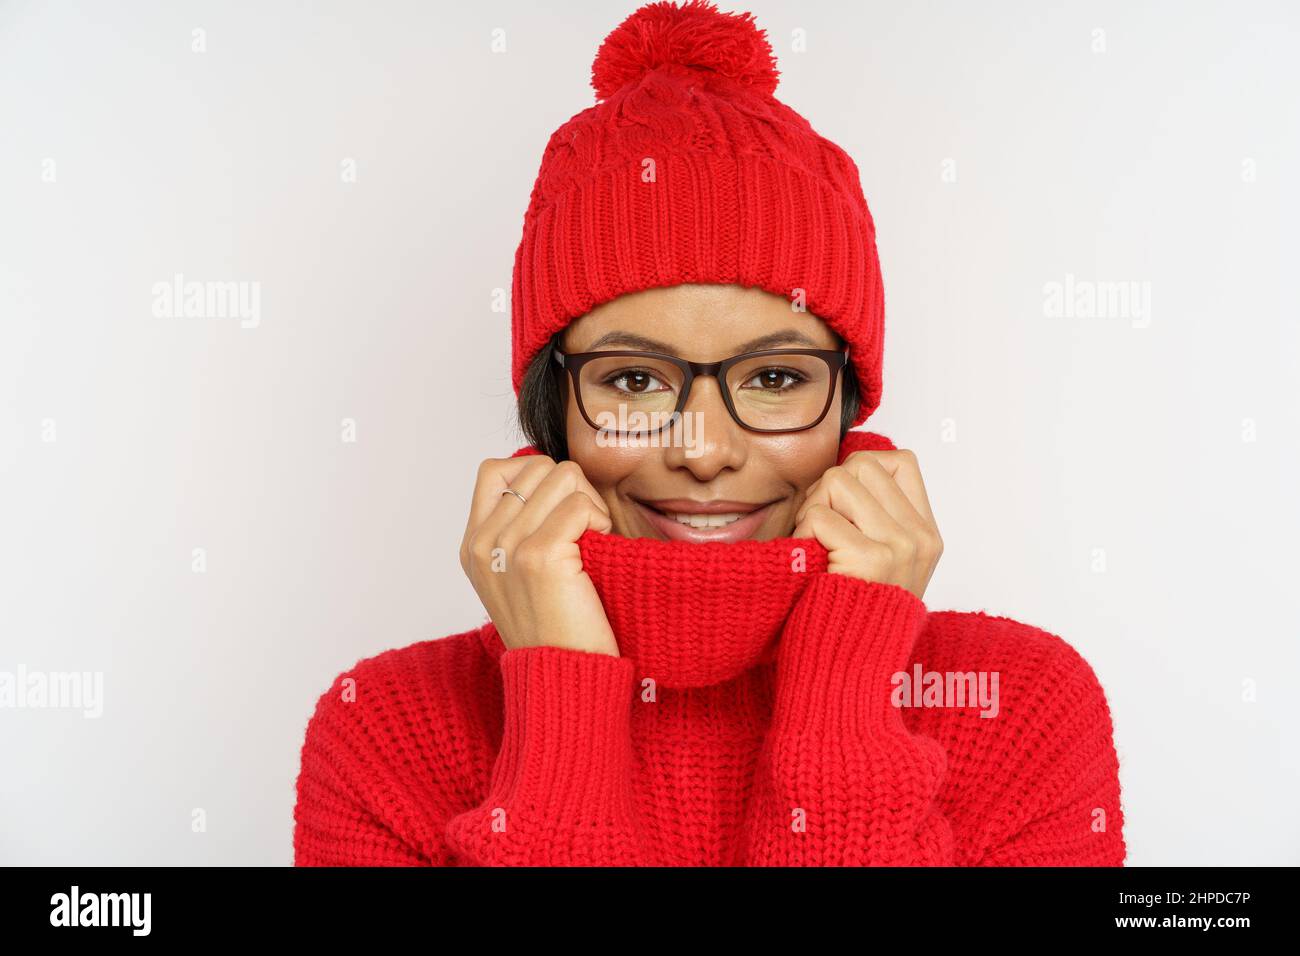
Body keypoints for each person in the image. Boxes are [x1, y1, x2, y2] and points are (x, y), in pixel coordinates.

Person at [292, 0, 1125, 866]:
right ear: (554, 407)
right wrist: (561, 705)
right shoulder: (382, 732)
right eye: (634, 379)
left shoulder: (1019, 707)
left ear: (849, 404)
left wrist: (843, 696)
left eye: (772, 379)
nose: (702, 448)